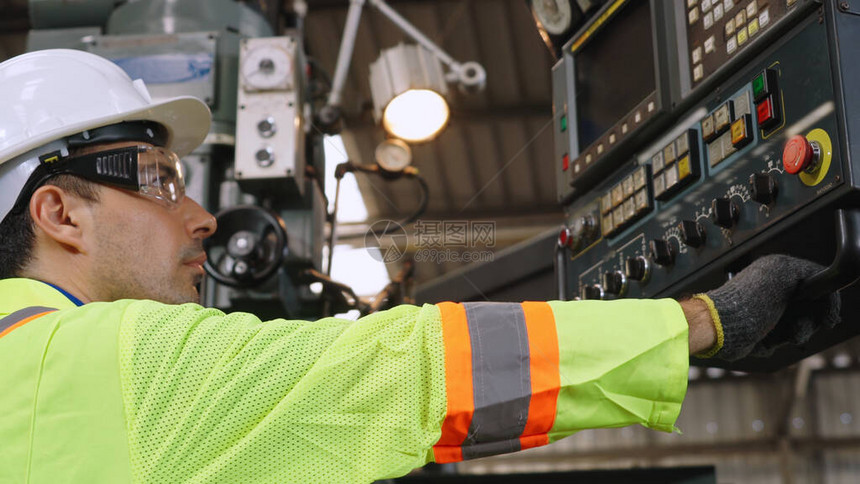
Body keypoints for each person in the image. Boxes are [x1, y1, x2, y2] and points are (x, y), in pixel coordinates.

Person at [0, 50, 840, 483]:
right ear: (59, 212)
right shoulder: (110, 362)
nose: (201, 215)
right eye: (158, 181)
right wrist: (696, 323)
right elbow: (405, 372)